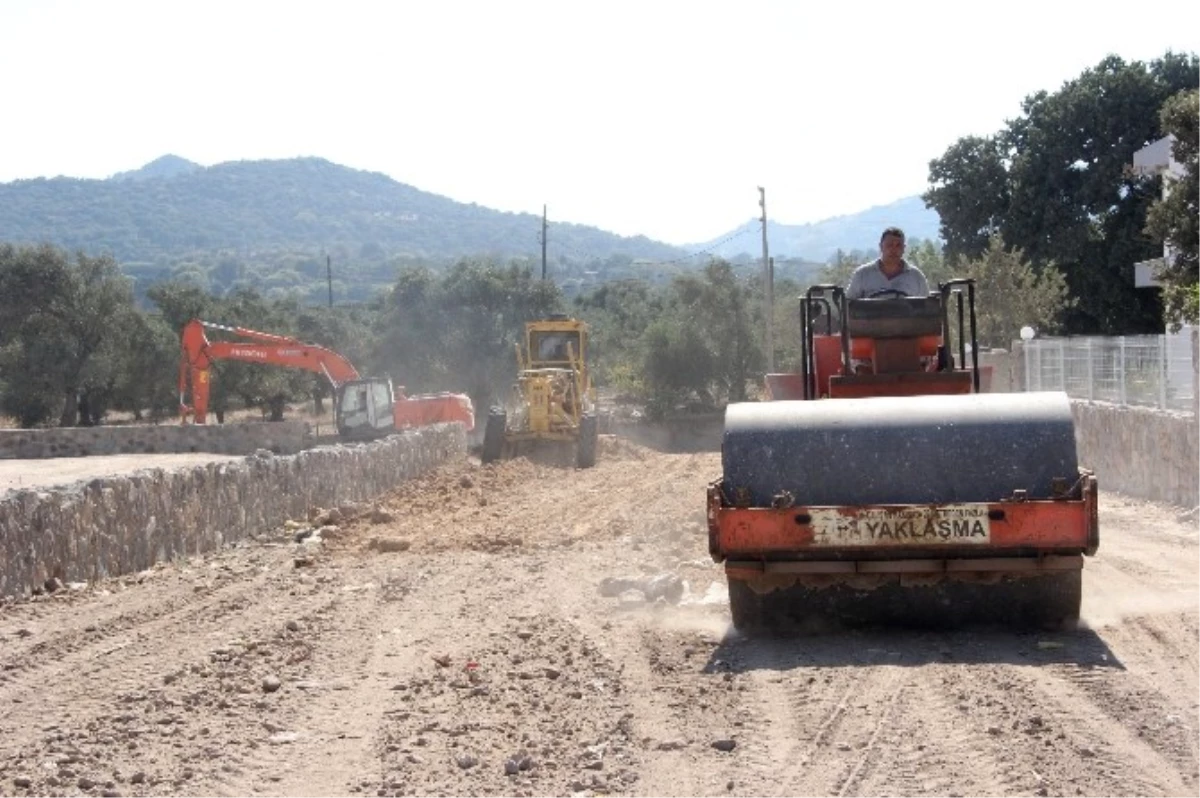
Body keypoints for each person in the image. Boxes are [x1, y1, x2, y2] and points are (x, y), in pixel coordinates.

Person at [846, 227, 929, 299]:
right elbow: (848, 306)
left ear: (904, 249)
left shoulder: (916, 277)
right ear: (881, 247)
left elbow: (927, 309)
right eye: (889, 245)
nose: (894, 250)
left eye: (898, 245)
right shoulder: (862, 275)